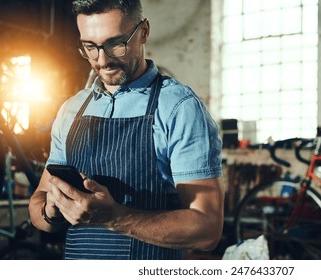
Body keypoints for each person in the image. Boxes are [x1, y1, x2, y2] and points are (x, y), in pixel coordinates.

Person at [28, 0, 224, 260]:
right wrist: (50, 211)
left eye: (115, 44)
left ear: (143, 32)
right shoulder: (72, 110)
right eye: (90, 47)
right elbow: (38, 203)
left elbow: (207, 230)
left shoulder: (179, 108)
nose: (103, 60)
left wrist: (115, 219)